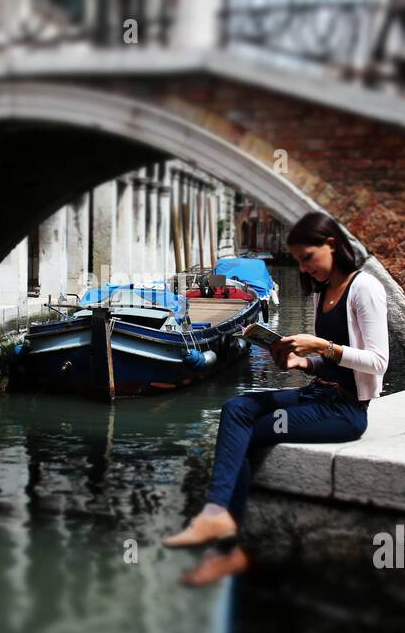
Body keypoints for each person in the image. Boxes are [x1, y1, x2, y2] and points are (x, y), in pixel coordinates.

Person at [162, 212, 389, 587]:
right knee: (237, 407)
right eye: (298, 259)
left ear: (332, 245)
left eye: (307, 257)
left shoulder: (365, 289)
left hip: (346, 411)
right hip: (317, 395)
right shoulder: (322, 293)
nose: (303, 266)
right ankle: (219, 519)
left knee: (248, 431)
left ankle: (224, 540)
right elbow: (326, 364)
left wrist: (323, 346)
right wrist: (301, 360)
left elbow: (379, 362)